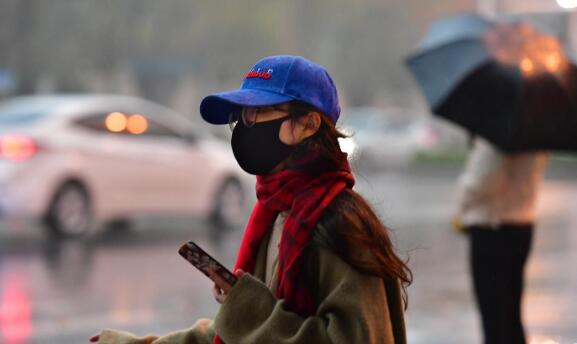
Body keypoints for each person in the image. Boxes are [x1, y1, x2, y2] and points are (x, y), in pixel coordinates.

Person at [91, 55, 411, 344]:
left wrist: (248, 308)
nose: (245, 128)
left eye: (257, 114)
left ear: (309, 124)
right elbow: (231, 332)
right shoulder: (275, 212)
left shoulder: (340, 224)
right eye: (241, 116)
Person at [454, 136, 548, 344]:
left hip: (492, 226)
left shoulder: (495, 133)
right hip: (524, 223)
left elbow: (481, 181)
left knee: (493, 313)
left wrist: (461, 208)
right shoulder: (536, 133)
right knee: (511, 311)